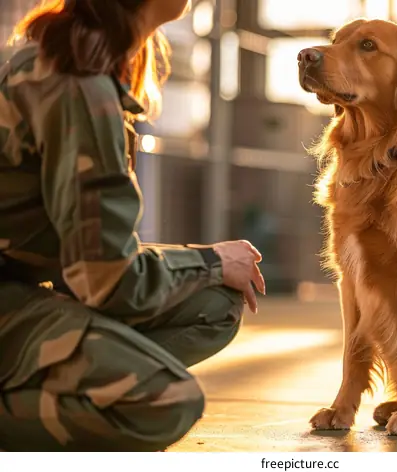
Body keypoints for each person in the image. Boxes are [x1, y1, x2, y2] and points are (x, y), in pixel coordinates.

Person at [0, 0, 266, 452]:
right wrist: (211, 260)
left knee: (215, 303)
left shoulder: (78, 57)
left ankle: (78, 375)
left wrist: (210, 268)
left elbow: (88, 263)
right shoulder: (79, 83)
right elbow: (109, 280)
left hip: (24, 285)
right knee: (166, 401)